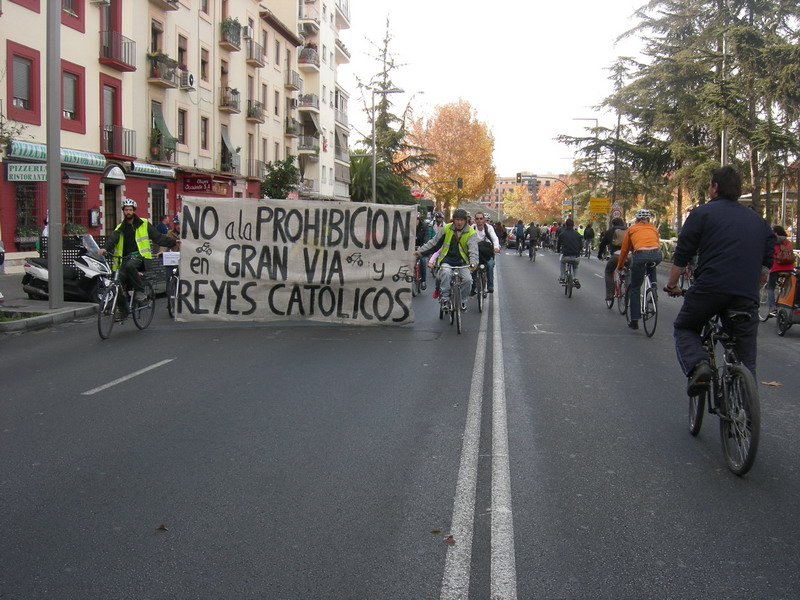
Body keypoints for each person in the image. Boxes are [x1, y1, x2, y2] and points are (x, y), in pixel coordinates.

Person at [664, 166, 775, 394]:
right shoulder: (758, 220)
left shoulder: (702, 214)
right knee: (746, 357)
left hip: (709, 289)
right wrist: (755, 283)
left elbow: (683, 253)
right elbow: (768, 258)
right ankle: (746, 417)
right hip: (745, 295)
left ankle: (698, 365)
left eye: (709, 185)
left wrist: (671, 284)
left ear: (715, 187)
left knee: (685, 327)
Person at [99, 198, 179, 305]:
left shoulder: (144, 223)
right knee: (117, 283)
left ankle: (140, 291)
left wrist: (174, 242)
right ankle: (122, 310)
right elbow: (112, 240)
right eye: (126, 210)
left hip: (141, 257)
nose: (128, 212)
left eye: (130, 210)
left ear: (134, 211)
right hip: (125, 259)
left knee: (130, 266)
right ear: (123, 211)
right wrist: (105, 248)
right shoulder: (120, 227)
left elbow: (158, 237)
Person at [416, 208, 478, 312]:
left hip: (463, 262)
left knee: (468, 280)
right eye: (457, 220)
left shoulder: (471, 232)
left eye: (462, 220)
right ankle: (445, 298)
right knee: (445, 273)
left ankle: (462, 301)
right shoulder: (446, 228)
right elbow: (433, 243)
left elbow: (473, 250)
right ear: (454, 220)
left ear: (465, 221)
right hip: (447, 260)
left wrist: (473, 263)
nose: (459, 222)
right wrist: (419, 253)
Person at [616, 209, 663, 330]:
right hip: (657, 254)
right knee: (651, 264)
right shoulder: (653, 228)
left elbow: (625, 250)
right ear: (648, 219)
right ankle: (654, 288)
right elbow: (655, 243)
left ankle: (635, 319)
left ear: (636, 219)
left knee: (635, 287)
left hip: (640, 255)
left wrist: (620, 265)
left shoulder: (631, 229)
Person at [766, 225, 796, 316]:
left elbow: (769, 253)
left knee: (770, 287)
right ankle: (788, 304)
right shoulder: (787, 242)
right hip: (789, 268)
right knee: (787, 287)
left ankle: (772, 307)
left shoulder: (772, 242)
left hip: (776, 268)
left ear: (775, 233)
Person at [598, 217, 627, 299]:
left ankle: (610, 294)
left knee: (608, 272)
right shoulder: (629, 230)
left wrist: (600, 254)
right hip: (629, 256)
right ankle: (628, 288)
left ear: (613, 224)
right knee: (629, 270)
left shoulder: (611, 231)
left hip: (616, 255)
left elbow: (603, 244)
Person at [471, 211, 500, 293]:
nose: (479, 220)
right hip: (476, 253)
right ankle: (473, 288)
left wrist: (496, 247)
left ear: (484, 219)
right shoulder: (472, 228)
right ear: (475, 220)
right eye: (477, 219)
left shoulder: (489, 228)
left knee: (490, 265)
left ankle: (490, 286)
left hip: (487, 252)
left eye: (481, 218)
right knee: (472, 267)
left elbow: (494, 238)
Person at [557, 218, 582, 287]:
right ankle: (576, 278)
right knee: (575, 265)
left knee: (562, 262)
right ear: (573, 225)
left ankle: (562, 277)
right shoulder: (578, 235)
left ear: (566, 225)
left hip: (566, 256)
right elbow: (581, 246)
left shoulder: (562, 234)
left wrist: (558, 251)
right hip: (576, 256)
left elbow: (558, 245)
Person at [414, 212, 429, 291]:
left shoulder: (424, 227)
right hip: (411, 248)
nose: (415, 221)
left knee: (423, 261)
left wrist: (424, 245)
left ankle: (423, 280)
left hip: (421, 247)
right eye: (414, 219)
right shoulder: (409, 226)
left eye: (417, 219)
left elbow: (426, 237)